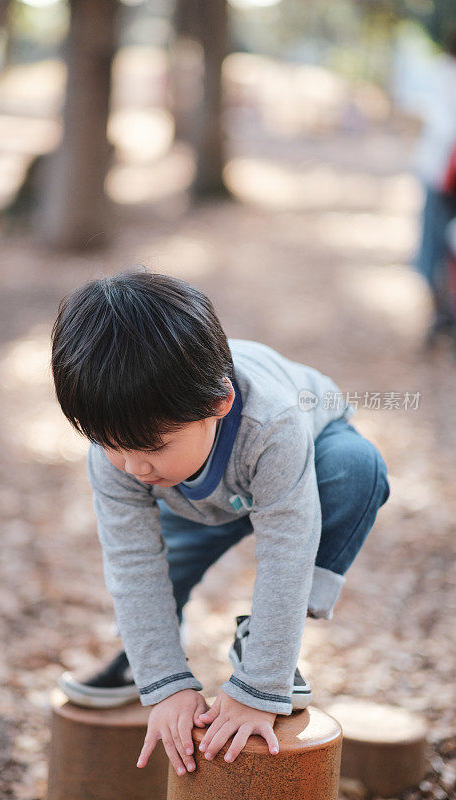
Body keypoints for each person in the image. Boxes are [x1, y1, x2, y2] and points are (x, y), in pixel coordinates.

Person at [50, 269, 390, 776]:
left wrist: (260, 688)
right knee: (165, 576)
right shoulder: (121, 454)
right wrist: (165, 683)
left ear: (219, 404)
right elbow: (133, 563)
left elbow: (286, 552)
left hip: (306, 474)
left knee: (358, 468)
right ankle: (136, 662)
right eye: (109, 444)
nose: (132, 466)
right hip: (191, 499)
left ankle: (262, 640)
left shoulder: (272, 424)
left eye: (150, 447)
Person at [413, 28, 456, 348]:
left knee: (434, 250)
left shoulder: (443, 72)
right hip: (441, 173)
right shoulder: (445, 72)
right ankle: (442, 314)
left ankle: (443, 313)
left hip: (441, 174)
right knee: (439, 250)